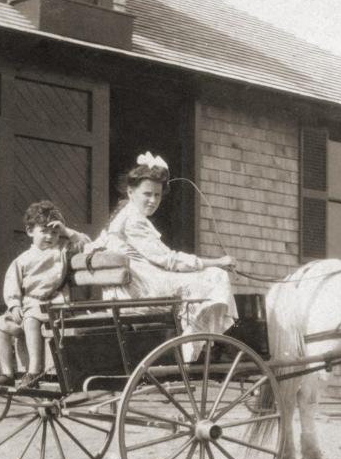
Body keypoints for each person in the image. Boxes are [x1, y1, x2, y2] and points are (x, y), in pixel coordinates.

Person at [86, 152, 237, 357]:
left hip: (125, 290)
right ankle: (196, 342)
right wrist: (217, 262)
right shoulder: (133, 220)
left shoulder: (121, 216)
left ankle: (201, 338)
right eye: (147, 194)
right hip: (141, 290)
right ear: (131, 192)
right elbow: (169, 260)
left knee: (205, 277)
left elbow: (93, 246)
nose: (153, 200)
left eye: (157, 195)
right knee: (215, 275)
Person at [0, 200, 90, 389]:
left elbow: (87, 243)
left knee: (30, 319)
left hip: (53, 304)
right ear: (30, 231)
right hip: (28, 305)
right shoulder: (22, 260)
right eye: (44, 231)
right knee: (0, 326)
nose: (50, 237)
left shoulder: (62, 250)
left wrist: (66, 231)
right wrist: (14, 305)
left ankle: (34, 371)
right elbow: (12, 285)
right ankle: (7, 373)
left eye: (54, 232)